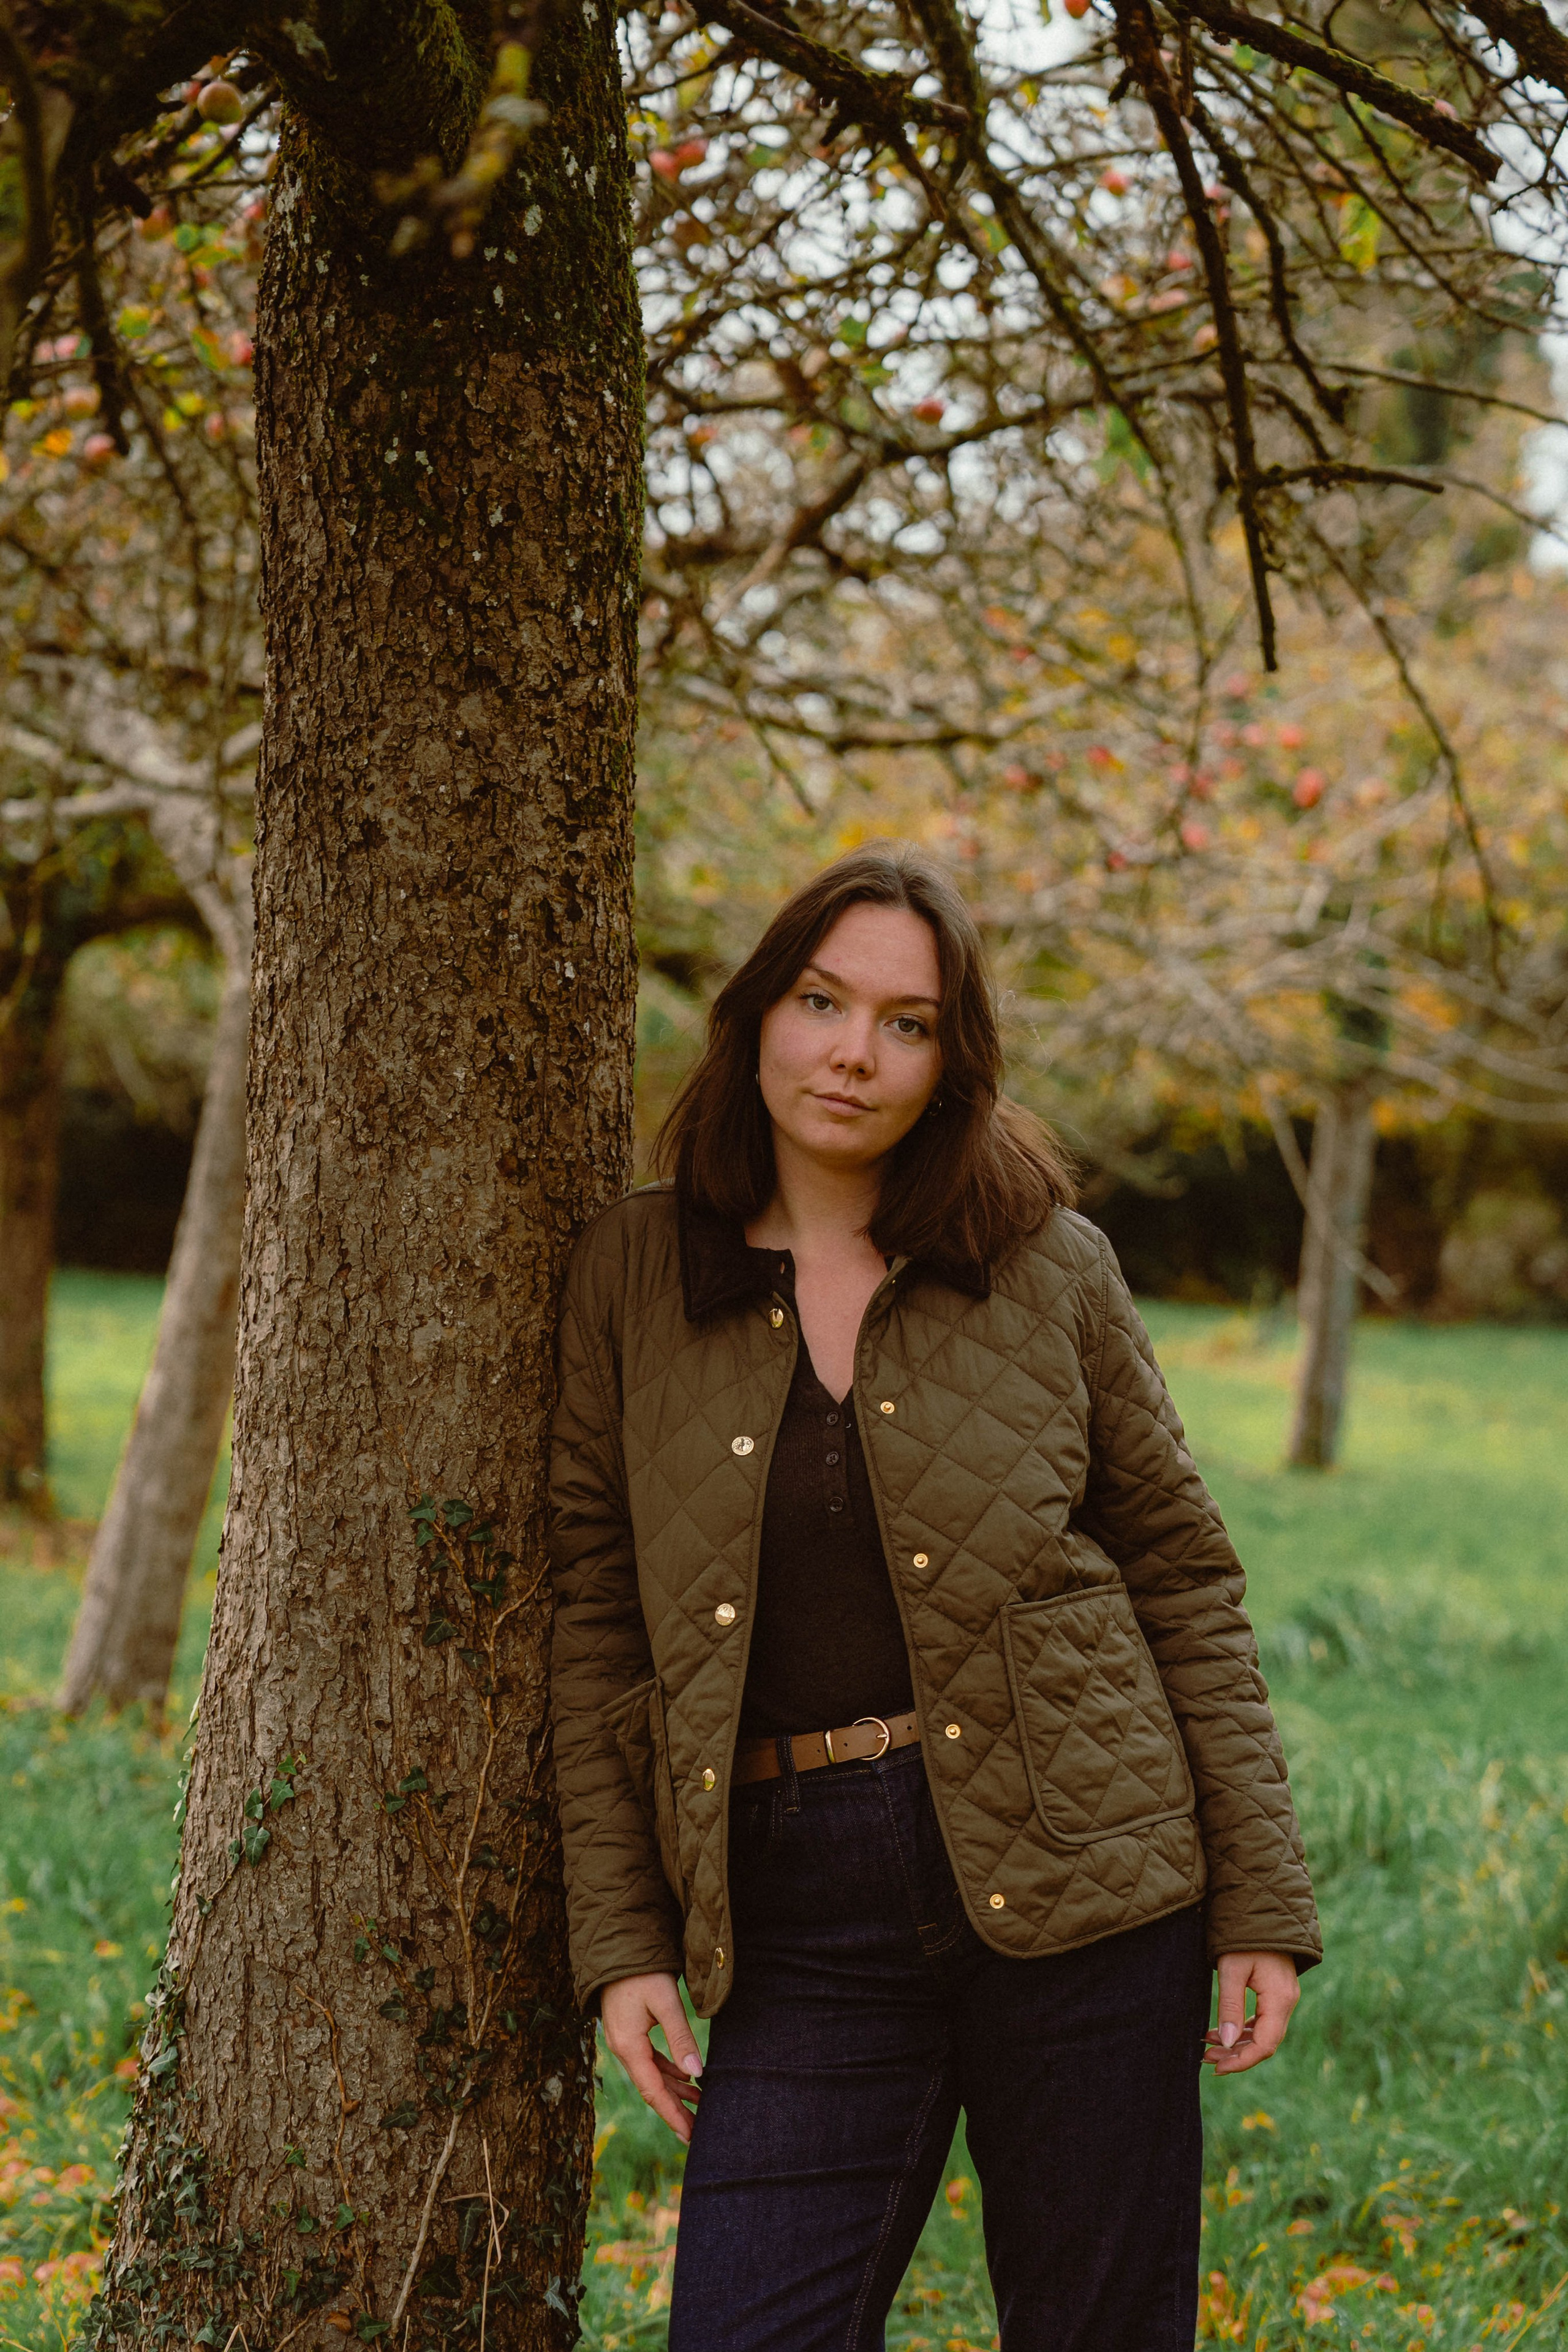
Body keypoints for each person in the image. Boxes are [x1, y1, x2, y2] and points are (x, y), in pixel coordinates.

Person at [548, 840, 1320, 2352]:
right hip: (793, 1915)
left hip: (1093, 1875)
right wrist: (622, 1942)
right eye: (821, 1000)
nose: (852, 1053)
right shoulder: (633, 1269)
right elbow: (597, 1618)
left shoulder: (1047, 1266)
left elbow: (1180, 1575)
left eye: (905, 1022)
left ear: (951, 1058)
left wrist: (1261, 1901)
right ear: (756, 1010)